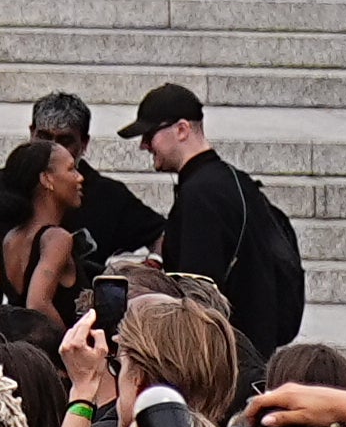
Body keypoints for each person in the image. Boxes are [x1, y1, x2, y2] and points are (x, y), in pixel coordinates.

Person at [124, 86, 300, 349]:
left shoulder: (201, 195)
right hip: (251, 348)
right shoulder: (234, 182)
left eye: (150, 135)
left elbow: (197, 293)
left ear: (182, 129)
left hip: (223, 357)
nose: (143, 145)